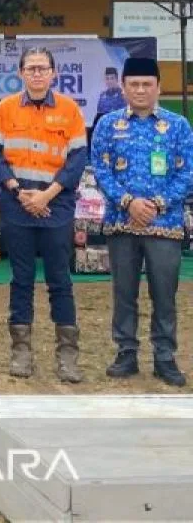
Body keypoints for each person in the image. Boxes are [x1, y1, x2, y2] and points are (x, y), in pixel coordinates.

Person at [91, 56, 193, 387]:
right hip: (122, 223)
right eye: (133, 84)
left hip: (165, 224)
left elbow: (188, 173)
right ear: (122, 88)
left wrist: (156, 204)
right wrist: (128, 202)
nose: (140, 90)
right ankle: (126, 352)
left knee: (164, 293)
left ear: (159, 87)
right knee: (124, 292)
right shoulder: (108, 125)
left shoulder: (178, 125)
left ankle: (164, 356)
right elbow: (100, 169)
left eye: (147, 84)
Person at [0, 47, 88, 383]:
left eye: (42, 68)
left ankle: (67, 356)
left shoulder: (70, 110)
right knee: (21, 278)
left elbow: (76, 161)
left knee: (60, 279)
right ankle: (21, 351)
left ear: (53, 73)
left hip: (56, 206)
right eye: (30, 68)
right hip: (16, 205)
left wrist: (46, 195)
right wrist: (19, 192)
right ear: (20, 73)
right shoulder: (5, 109)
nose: (36, 73)